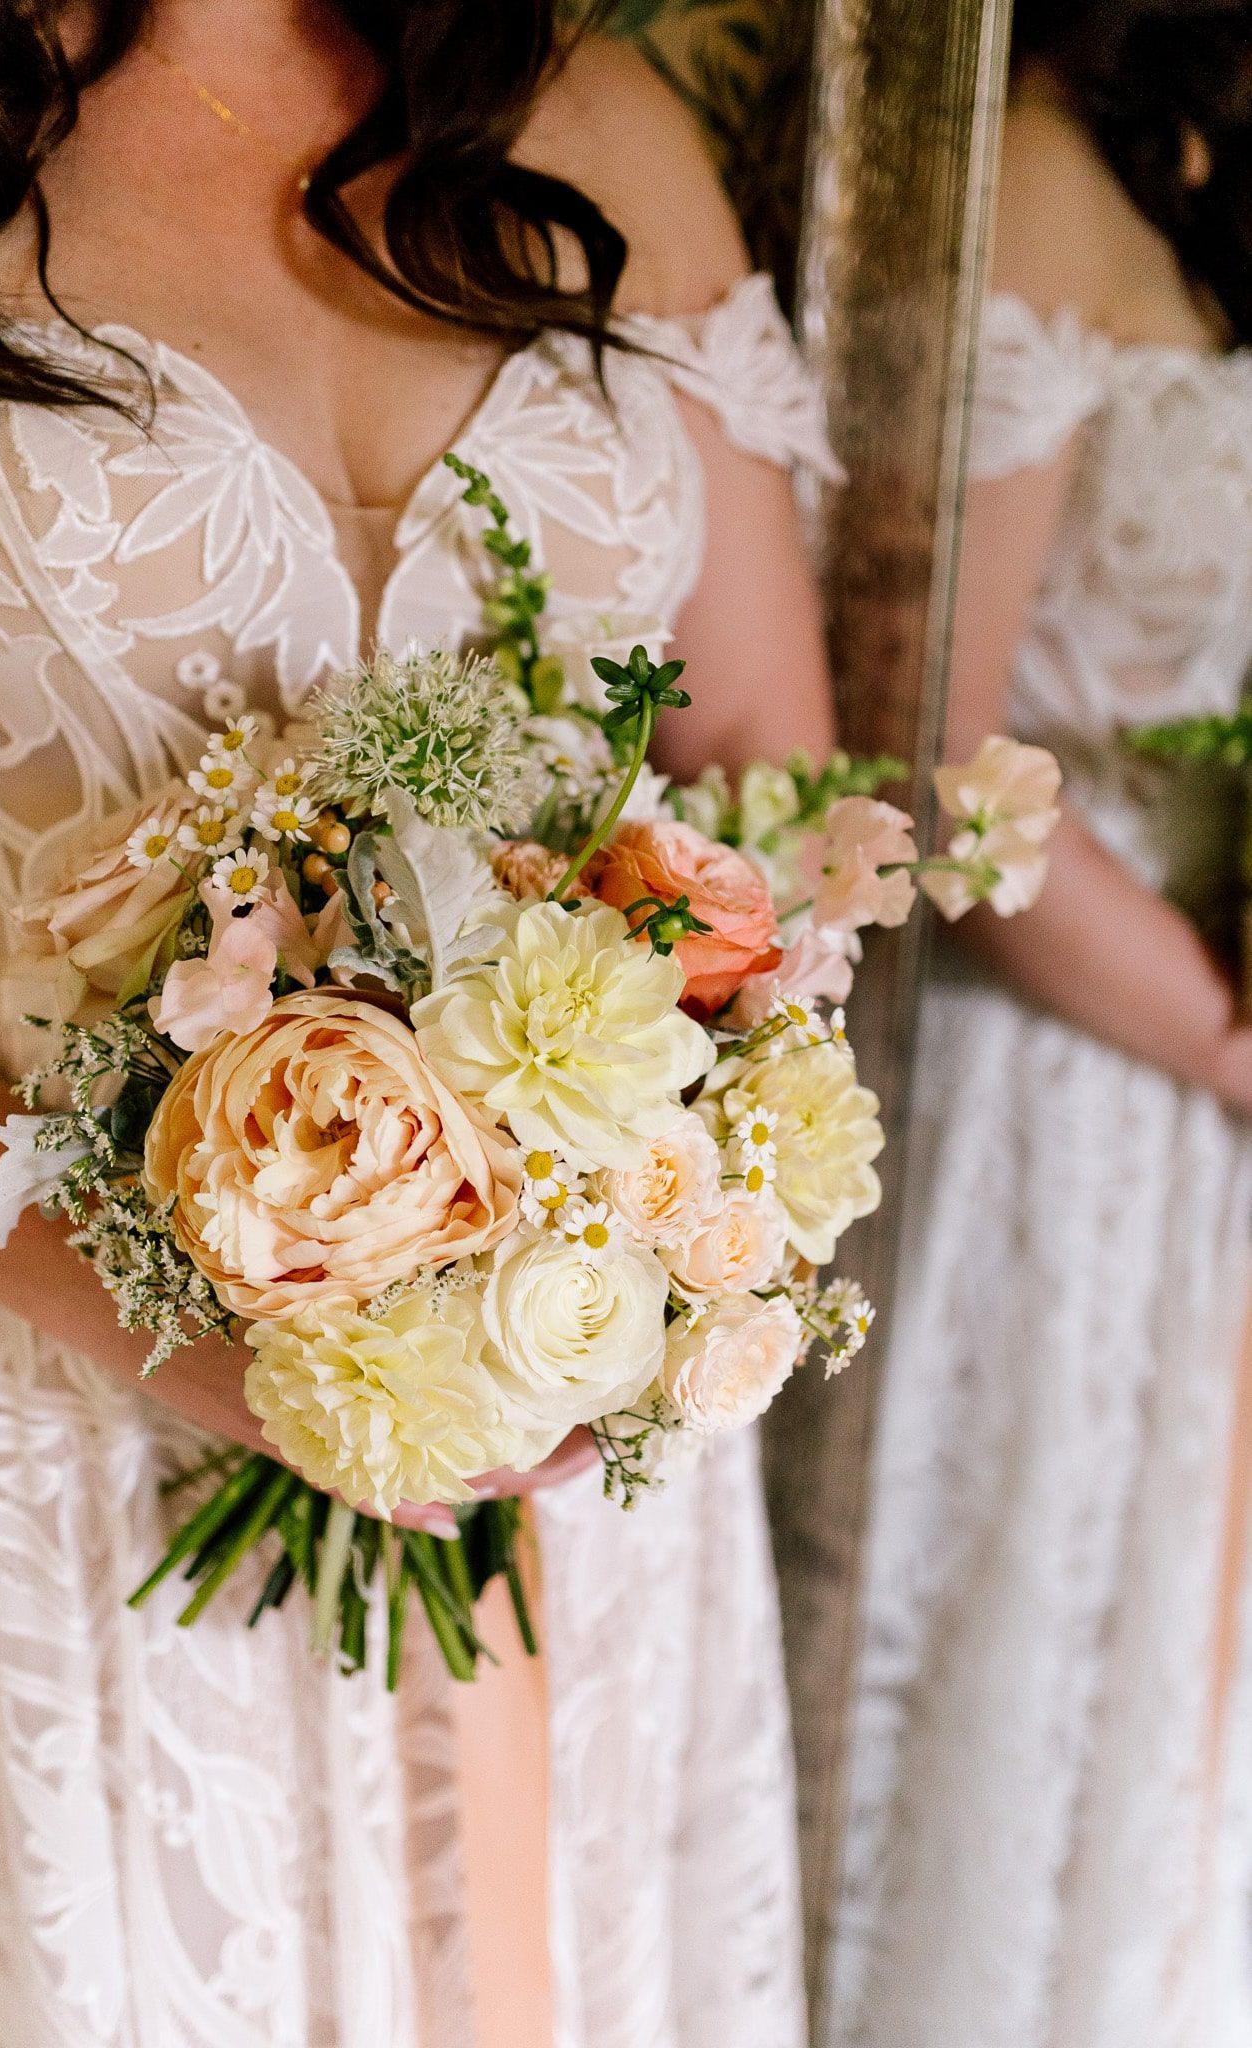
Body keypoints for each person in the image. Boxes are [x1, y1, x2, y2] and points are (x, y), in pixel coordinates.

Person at [0, 3, 838, 2042]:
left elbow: (764, 765)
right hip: (49, 1399)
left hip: (560, 1427)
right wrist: (198, 1328)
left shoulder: (588, 111)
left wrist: (650, 1226)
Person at [830, 4, 1252, 2044]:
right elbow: (924, 744)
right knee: (1011, 1712)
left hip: (1206, 1128)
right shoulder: (1060, 159)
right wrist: (1220, 1042)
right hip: (1056, 1089)